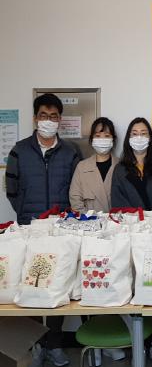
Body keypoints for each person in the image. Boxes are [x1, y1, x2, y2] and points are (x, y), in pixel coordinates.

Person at [5, 93, 81, 367]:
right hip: (30, 229)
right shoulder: (19, 150)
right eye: (43, 116)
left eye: (54, 116)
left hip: (61, 230)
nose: (49, 121)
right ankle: (36, 344)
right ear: (35, 118)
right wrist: (27, 215)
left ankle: (55, 344)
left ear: (60, 119)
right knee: (32, 286)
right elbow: (11, 189)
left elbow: (76, 189)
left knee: (58, 286)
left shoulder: (71, 152)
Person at [69, 117, 118, 213]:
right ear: (92, 139)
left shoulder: (121, 166)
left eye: (107, 136)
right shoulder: (82, 167)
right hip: (89, 221)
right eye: (98, 136)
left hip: (116, 221)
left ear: (113, 139)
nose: (102, 140)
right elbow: (75, 202)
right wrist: (91, 219)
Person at [111, 117, 152, 209]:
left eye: (143, 133)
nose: (139, 137)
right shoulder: (120, 169)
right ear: (129, 138)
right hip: (131, 217)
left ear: (150, 138)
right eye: (134, 134)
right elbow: (117, 201)